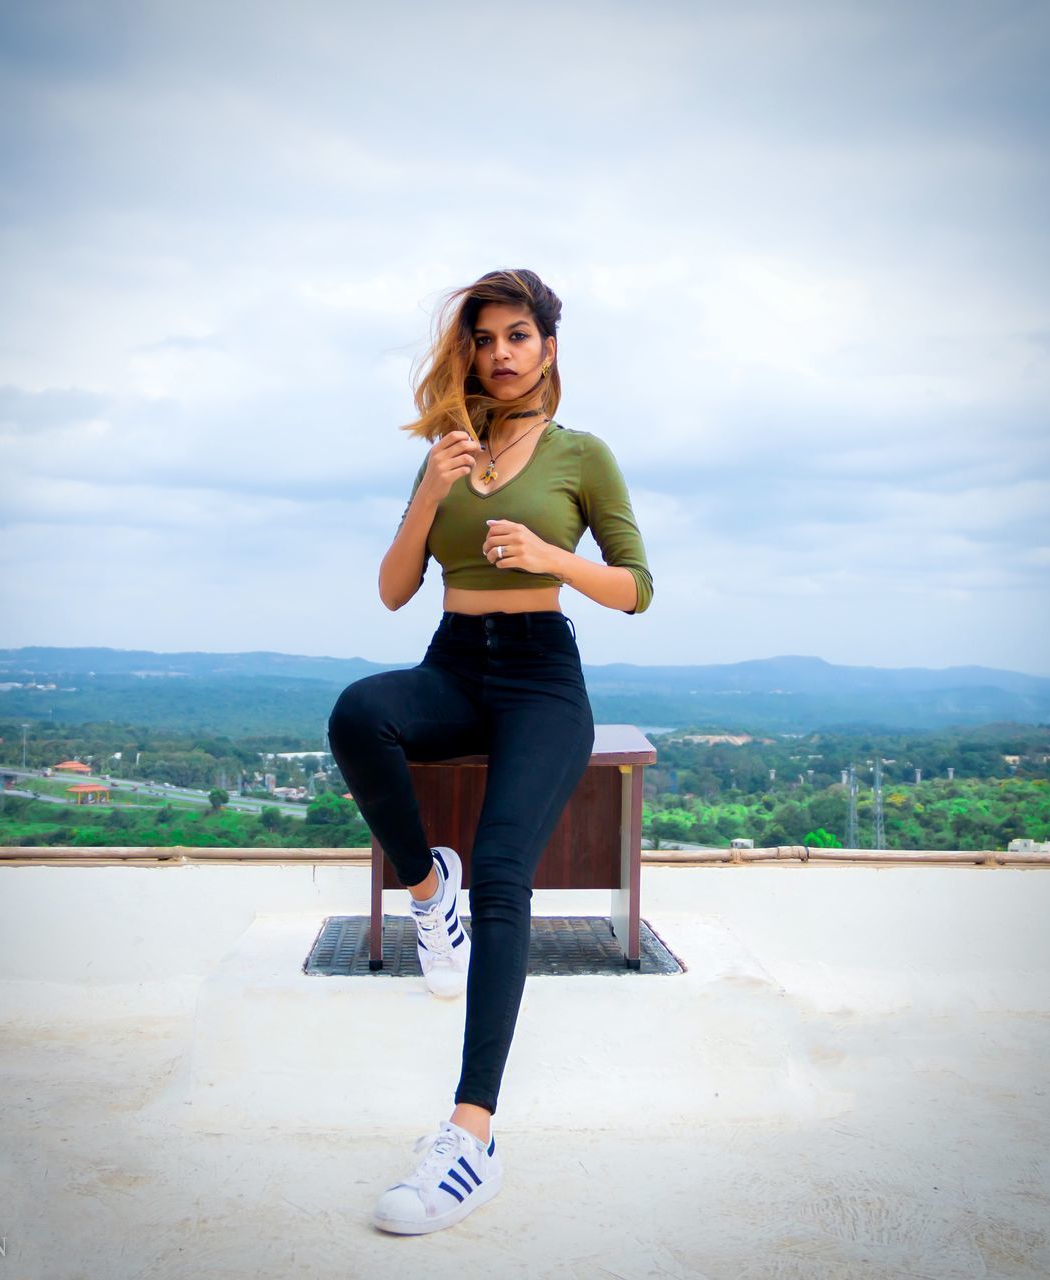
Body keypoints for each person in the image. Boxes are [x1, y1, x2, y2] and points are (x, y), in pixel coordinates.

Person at [326, 267, 653, 1235]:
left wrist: (552, 557)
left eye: (518, 335)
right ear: (467, 351)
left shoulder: (580, 455)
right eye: (484, 338)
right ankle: (431, 893)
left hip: (542, 681)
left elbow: (635, 586)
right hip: (453, 662)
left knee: (507, 873)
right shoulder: (446, 450)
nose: (500, 353)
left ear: (548, 347)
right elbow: (392, 589)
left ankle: (469, 1134)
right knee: (357, 712)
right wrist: (430, 490)